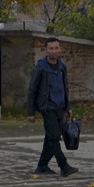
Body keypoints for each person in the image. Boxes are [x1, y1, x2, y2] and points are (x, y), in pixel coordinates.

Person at [26, 37, 78, 177]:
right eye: (51, 48)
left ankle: (42, 166)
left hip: (60, 107)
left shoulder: (62, 66)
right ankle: (64, 166)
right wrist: (31, 112)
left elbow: (65, 87)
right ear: (46, 50)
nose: (53, 51)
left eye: (56, 48)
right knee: (54, 137)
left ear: (59, 49)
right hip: (47, 108)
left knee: (50, 138)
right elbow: (32, 90)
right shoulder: (40, 68)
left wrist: (68, 107)